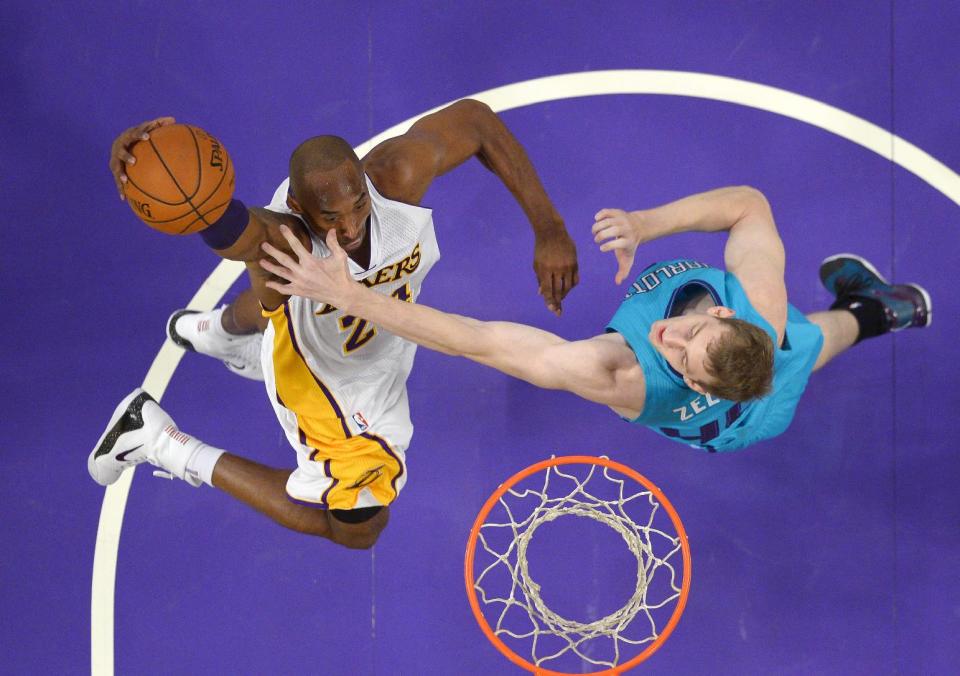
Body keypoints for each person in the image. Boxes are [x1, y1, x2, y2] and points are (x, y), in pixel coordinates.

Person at [89, 100, 578, 549]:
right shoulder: (285, 239)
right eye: (331, 217)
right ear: (300, 209)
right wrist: (149, 164)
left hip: (379, 342)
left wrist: (550, 228)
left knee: (272, 300)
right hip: (328, 385)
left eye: (357, 206)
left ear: (365, 184)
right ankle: (154, 438)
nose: (349, 228)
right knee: (359, 530)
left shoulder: (397, 177)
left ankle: (216, 332)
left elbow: (476, 120)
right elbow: (226, 225)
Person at [250, 185, 930, 453]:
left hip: (741, 426)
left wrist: (350, 296)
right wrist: (643, 224)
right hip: (766, 362)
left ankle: (872, 313)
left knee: (797, 362)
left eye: (682, 356)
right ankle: (881, 311)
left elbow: (480, 343)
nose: (670, 335)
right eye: (694, 332)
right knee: (801, 344)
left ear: (692, 384)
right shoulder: (763, 312)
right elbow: (750, 205)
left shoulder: (619, 375)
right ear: (726, 312)